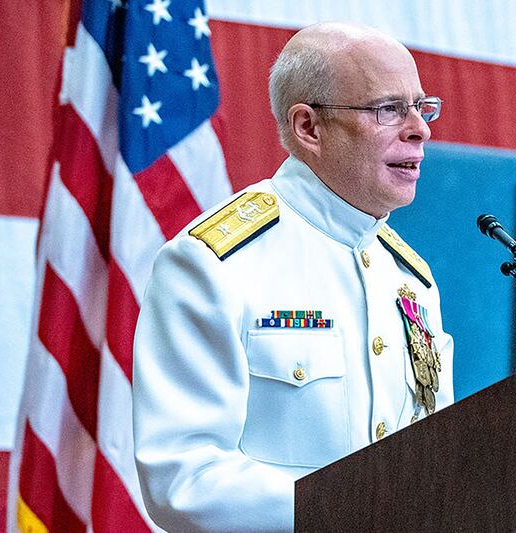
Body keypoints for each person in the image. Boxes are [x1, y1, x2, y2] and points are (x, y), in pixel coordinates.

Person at [132, 21, 454, 532]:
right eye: (389, 110)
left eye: (421, 107)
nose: (421, 129)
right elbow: (183, 479)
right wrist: (356, 508)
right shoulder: (215, 264)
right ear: (308, 128)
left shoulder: (411, 279)